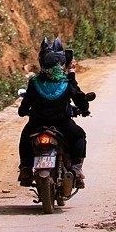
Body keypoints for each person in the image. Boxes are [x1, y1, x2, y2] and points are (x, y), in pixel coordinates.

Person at [18, 37, 95, 188]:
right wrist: (72, 73)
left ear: (42, 62)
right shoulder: (66, 82)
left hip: (37, 125)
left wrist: (23, 111)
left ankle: (26, 168)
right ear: (62, 63)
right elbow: (81, 102)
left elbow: (23, 109)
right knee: (80, 136)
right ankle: (76, 169)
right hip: (62, 125)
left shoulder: (34, 82)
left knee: (25, 139)